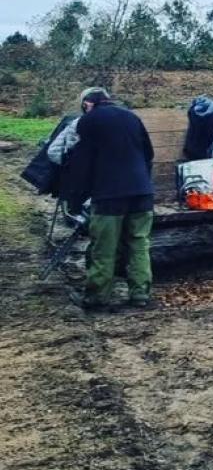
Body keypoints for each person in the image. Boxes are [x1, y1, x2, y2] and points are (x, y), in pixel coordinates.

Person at [70, 88, 155, 309]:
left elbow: (82, 162)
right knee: (139, 244)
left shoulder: (88, 121)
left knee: (104, 248)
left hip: (109, 195)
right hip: (142, 192)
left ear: (87, 104)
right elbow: (148, 154)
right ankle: (140, 295)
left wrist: (76, 198)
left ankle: (97, 298)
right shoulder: (132, 117)